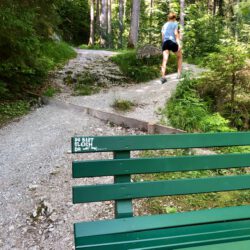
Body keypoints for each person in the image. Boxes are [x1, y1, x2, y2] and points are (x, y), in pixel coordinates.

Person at [161, 12, 182, 84]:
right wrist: (179, 44)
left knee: (164, 60)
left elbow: (163, 37)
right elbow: (176, 34)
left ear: (168, 18)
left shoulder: (164, 25)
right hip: (172, 42)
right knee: (179, 57)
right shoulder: (175, 23)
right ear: (174, 18)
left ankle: (163, 77)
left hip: (165, 43)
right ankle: (178, 74)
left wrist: (163, 44)